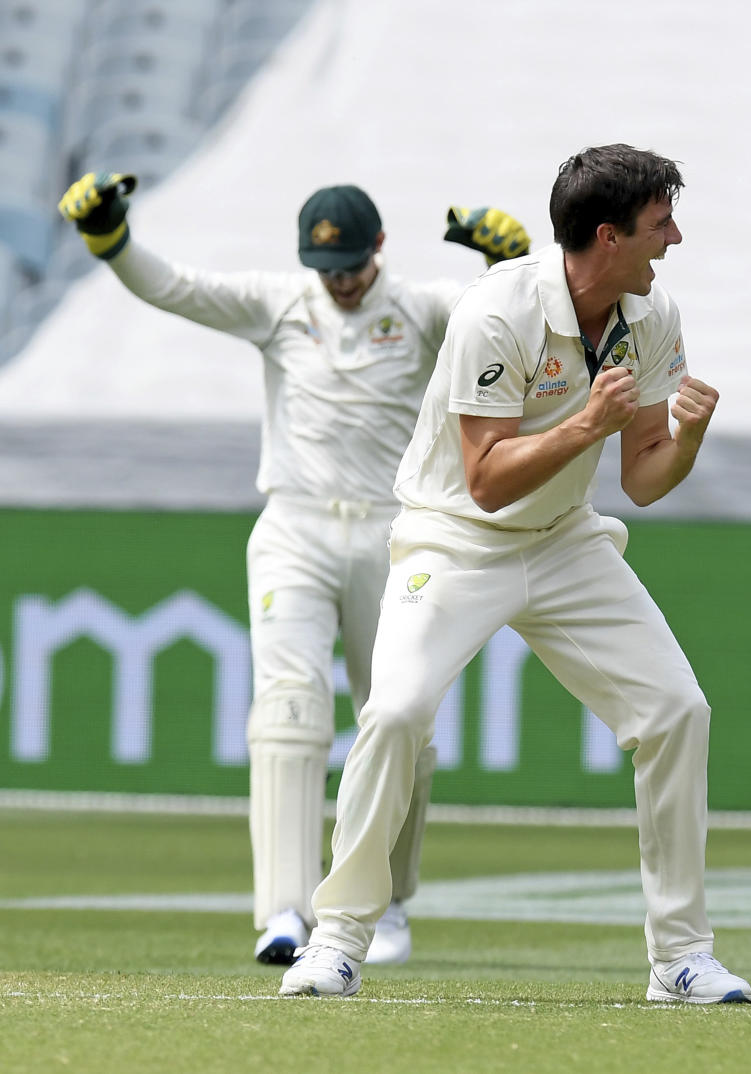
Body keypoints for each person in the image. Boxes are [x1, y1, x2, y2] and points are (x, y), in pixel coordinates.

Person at [277, 144, 751, 1005]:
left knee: (677, 710)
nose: (675, 239)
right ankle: (338, 940)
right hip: (453, 540)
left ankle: (679, 957)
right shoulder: (496, 313)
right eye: (660, 225)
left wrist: (686, 438)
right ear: (606, 237)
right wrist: (582, 427)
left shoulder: (652, 313)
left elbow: (643, 476)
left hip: (566, 541)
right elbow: (488, 481)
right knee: (395, 713)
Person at [57, 171, 530, 966]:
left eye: (349, 264)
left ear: (378, 247)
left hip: (396, 534)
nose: (339, 282)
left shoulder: (420, 309)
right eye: (326, 268)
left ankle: (385, 906)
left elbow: (506, 328)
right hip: (295, 526)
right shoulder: (283, 302)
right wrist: (110, 237)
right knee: (285, 711)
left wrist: (507, 269)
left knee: (399, 717)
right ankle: (282, 910)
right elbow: (174, 288)